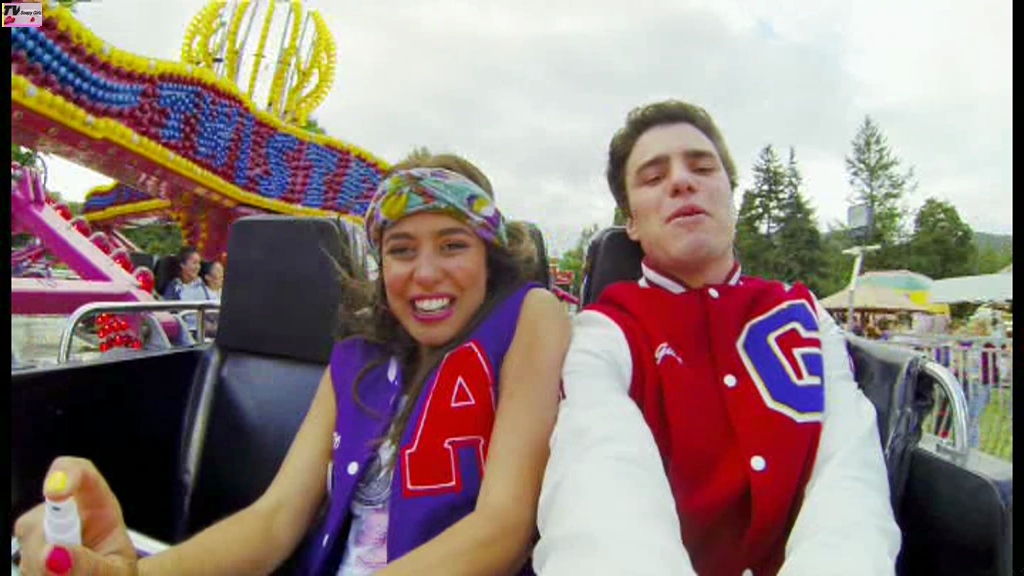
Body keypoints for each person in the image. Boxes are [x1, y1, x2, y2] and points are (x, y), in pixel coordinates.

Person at [14, 153, 571, 575]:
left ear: (490, 256)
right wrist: (135, 575)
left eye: (453, 245)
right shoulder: (356, 358)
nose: (425, 273)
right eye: (402, 249)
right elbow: (276, 517)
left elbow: (504, 528)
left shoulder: (530, 318)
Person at [535, 100, 901, 575]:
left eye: (703, 168)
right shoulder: (606, 332)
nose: (681, 182)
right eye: (653, 177)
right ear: (632, 222)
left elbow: (848, 475)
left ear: (732, 195)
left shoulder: (804, 314)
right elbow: (597, 481)